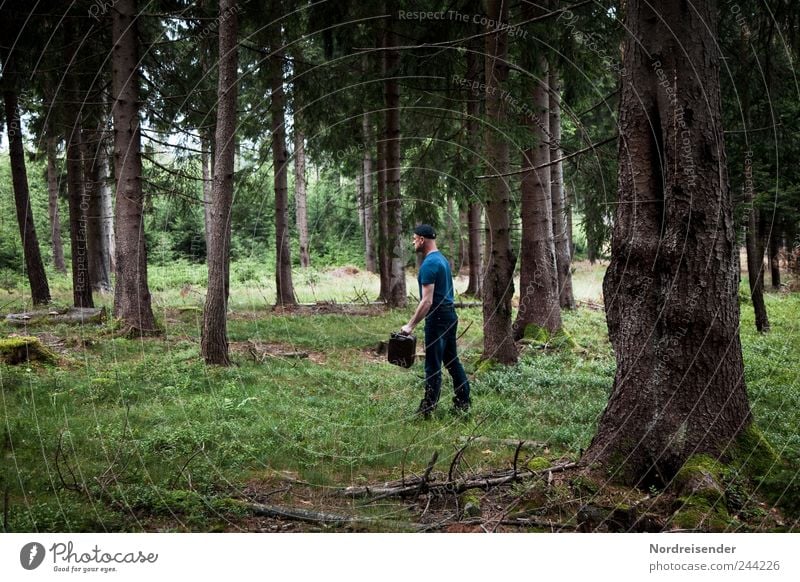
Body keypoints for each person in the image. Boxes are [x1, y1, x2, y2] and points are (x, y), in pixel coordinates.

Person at [401, 224, 471, 417]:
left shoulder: (430, 264)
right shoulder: (442, 260)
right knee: (451, 361)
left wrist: (410, 326)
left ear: (422, 240)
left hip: (438, 318)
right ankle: (463, 403)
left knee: (433, 365)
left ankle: (427, 409)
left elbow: (427, 301)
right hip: (449, 316)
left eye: (414, 238)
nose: (413, 242)